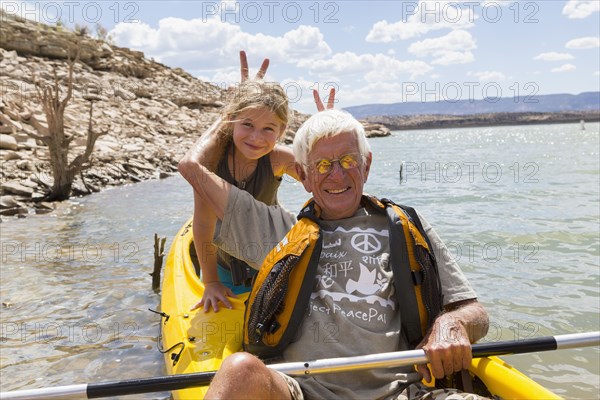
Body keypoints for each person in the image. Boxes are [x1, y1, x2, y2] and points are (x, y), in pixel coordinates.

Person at [181, 105, 490, 399]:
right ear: (302, 176)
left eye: (348, 161)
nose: (337, 175)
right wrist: (233, 117)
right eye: (323, 165)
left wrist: (452, 325)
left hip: (404, 393)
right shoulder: (280, 232)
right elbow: (191, 169)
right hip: (301, 392)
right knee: (240, 370)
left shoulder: (408, 227)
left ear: (366, 165)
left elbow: (475, 313)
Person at [179, 51, 298, 312]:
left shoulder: (279, 159)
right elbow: (202, 225)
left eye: (268, 128)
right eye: (247, 124)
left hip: (268, 260)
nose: (256, 137)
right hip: (224, 268)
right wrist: (210, 281)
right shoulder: (213, 164)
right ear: (231, 121)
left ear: (281, 132)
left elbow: (321, 182)